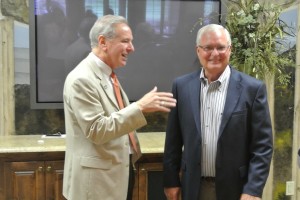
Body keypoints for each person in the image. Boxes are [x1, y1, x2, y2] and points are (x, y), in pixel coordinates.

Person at [62, 15, 176, 200]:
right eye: (125, 41)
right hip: (95, 183)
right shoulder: (82, 78)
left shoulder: (108, 75)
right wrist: (139, 107)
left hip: (117, 174)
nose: (132, 48)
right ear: (103, 42)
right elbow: (96, 129)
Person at [163, 24, 273, 200]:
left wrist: (253, 189)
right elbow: (172, 142)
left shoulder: (253, 89)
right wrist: (171, 181)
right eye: (208, 48)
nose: (215, 54)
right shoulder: (181, 87)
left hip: (236, 190)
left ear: (230, 49)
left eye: (221, 47)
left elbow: (262, 147)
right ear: (198, 50)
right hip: (192, 188)